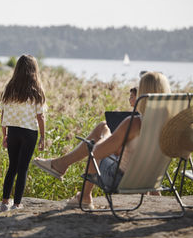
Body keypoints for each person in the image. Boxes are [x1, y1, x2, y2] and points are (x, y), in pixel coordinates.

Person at [34, 72, 170, 208]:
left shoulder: (134, 123)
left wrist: (106, 134)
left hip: (122, 181)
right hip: (152, 180)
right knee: (107, 137)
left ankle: (83, 194)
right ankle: (62, 166)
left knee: (101, 129)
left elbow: (97, 153)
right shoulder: (171, 123)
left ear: (143, 93)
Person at [0, 55, 46, 211]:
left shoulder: (9, 88)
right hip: (29, 132)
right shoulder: (36, 90)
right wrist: (43, 137)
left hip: (13, 130)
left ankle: (5, 202)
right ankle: (17, 204)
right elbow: (40, 116)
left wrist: (4, 134)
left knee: (12, 166)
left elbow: (3, 114)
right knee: (23, 168)